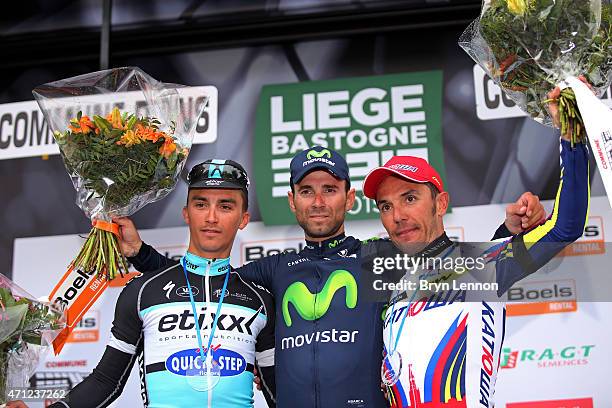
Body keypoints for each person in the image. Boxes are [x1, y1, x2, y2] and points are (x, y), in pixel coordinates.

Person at [114, 146, 545, 408]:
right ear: (292, 201)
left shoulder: (380, 259)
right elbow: (204, 286)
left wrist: (506, 235)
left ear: (349, 198)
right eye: (307, 191)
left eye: (330, 189)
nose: (318, 202)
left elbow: (459, 273)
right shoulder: (275, 269)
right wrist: (140, 254)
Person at [361, 90, 589, 407]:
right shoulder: (396, 287)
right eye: (386, 207)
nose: (398, 216)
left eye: (410, 198)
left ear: (440, 204)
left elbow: (566, 226)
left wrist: (571, 136)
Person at [43, 159, 276, 408]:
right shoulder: (142, 292)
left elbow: (278, 395)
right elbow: (106, 382)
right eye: (201, 204)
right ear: (186, 213)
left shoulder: (259, 300)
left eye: (225, 206)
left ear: (243, 218)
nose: (211, 217)